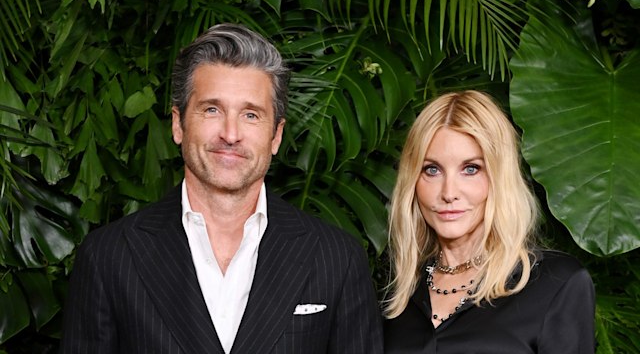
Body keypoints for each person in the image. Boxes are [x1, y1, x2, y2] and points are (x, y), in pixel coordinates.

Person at [60, 23, 383, 354]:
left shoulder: (337, 259)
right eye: (212, 109)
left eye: (251, 115)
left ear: (276, 136)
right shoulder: (108, 258)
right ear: (178, 123)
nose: (230, 134)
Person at [383, 90, 595, 353]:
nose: (449, 193)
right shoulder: (398, 291)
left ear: (499, 177)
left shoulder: (557, 284)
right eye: (432, 170)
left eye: (471, 169)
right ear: (412, 181)